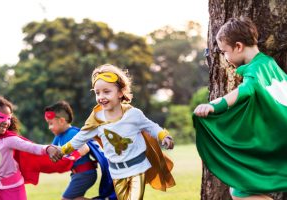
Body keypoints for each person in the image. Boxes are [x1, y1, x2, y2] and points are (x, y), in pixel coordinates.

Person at [193, 17, 287, 200]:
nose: (225, 57)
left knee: (240, 191)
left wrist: (214, 106)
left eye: (224, 52)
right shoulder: (269, 64)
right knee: (245, 187)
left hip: (279, 138)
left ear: (238, 46)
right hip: (279, 134)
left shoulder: (254, 71)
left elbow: (245, 91)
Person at [59, 64, 175, 200]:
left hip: (137, 169)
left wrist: (164, 136)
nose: (101, 97)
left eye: (106, 92)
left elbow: (151, 126)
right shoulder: (96, 120)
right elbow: (80, 138)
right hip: (116, 173)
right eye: (97, 93)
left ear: (120, 92)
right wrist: (62, 151)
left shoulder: (133, 114)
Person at [44, 101, 97, 200]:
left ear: (61, 121)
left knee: (66, 199)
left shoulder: (72, 133)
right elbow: (50, 149)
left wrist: (72, 157)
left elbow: (85, 148)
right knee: (75, 198)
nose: (49, 127)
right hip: (77, 174)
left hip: (85, 173)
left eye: (51, 123)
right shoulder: (59, 136)